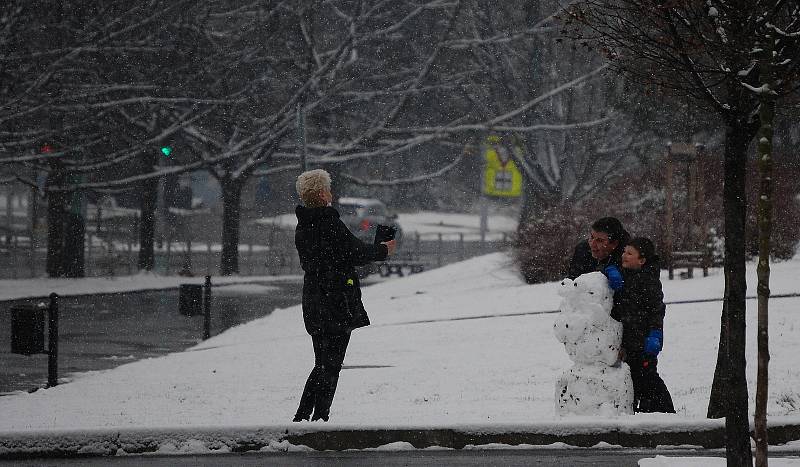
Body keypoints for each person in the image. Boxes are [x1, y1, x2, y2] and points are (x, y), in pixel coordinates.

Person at [292, 169, 396, 422]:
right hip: (336, 300)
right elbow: (354, 252)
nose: (331, 193)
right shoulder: (329, 222)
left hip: (314, 299)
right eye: (327, 189)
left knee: (322, 362)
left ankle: (305, 416)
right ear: (320, 193)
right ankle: (318, 418)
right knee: (332, 364)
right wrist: (382, 250)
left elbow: (341, 252)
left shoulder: (304, 225)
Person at [613, 237, 675, 413]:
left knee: (647, 377)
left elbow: (657, 310)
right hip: (627, 340)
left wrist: (655, 334)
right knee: (631, 378)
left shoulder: (649, 280)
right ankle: (637, 413)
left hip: (643, 341)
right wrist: (610, 269)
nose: (624, 255)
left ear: (642, 260)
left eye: (630, 253)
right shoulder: (622, 274)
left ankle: (664, 413)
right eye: (624, 251)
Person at [566, 217, 630, 292]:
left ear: (614, 244)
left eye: (599, 241)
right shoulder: (583, 249)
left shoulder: (629, 255)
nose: (592, 244)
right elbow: (572, 281)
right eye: (591, 237)